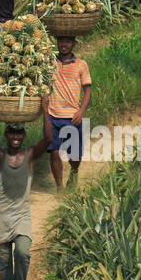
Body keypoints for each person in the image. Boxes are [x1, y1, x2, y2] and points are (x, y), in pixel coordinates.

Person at [0, 93, 52, 280]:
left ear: (24, 134)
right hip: (1, 216)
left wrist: (45, 108)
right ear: (6, 134)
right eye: (11, 132)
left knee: (22, 253)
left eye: (19, 132)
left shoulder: (29, 155)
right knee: (3, 263)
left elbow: (48, 139)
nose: (16, 136)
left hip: (21, 216)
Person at [47, 36, 92, 189]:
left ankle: (74, 171)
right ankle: (59, 187)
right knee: (54, 152)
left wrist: (81, 111)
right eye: (61, 41)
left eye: (67, 41)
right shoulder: (50, 63)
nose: (63, 45)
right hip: (52, 115)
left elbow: (87, 91)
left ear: (73, 43)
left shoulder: (81, 65)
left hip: (73, 117)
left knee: (75, 156)